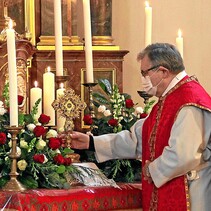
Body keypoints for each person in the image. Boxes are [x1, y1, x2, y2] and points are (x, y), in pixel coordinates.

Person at [70, 43, 211, 211]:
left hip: (190, 193)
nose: (143, 79)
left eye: (145, 73)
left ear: (163, 71)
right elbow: (138, 138)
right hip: (171, 187)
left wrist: (152, 169)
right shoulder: (168, 100)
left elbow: (184, 155)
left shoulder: (189, 100)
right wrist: (92, 142)